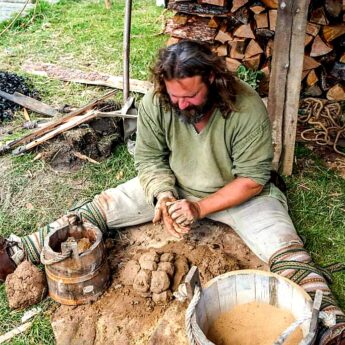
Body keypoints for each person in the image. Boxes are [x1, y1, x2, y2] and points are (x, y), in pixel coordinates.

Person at [0, 40, 344, 344]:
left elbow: (253, 178)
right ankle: (21, 250)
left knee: (286, 250)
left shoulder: (245, 106)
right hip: (177, 184)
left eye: (190, 96)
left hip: (242, 196)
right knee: (102, 207)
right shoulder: (157, 101)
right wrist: (163, 196)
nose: (180, 105)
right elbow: (149, 159)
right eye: (174, 97)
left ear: (212, 80)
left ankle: (329, 321)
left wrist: (199, 208)